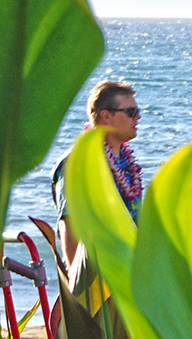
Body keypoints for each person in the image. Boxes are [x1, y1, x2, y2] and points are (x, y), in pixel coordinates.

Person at [52, 82, 145, 261]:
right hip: (96, 274)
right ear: (106, 116)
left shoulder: (127, 164)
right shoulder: (79, 162)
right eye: (131, 112)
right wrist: (76, 280)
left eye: (137, 111)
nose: (138, 117)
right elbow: (70, 223)